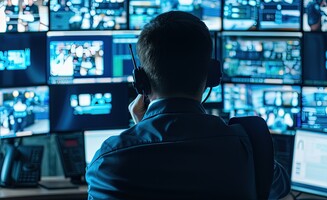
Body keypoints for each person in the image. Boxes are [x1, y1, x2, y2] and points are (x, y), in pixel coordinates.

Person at [86, 11, 290, 199]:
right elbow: (279, 187)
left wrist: (143, 127)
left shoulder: (109, 160)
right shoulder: (248, 149)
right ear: (211, 75)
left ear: (141, 82)